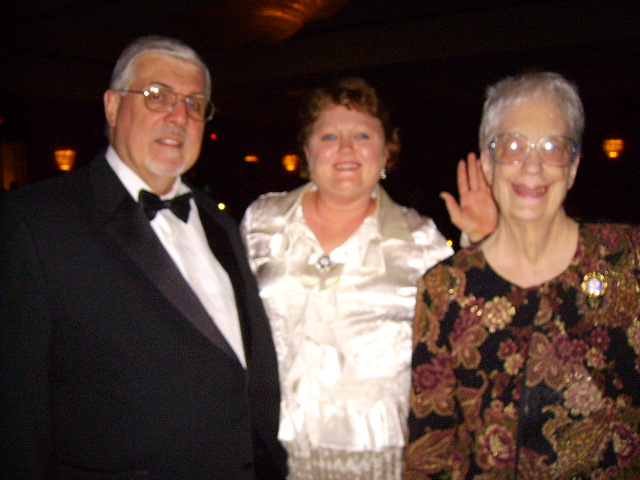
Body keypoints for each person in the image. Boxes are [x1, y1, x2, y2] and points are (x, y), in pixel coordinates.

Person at [0, 35, 286, 479]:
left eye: (194, 103)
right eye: (157, 95)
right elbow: (15, 416)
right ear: (113, 107)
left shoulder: (222, 224)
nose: (179, 116)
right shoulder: (35, 222)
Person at [240, 77, 495, 480]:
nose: (346, 148)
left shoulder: (419, 240)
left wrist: (483, 246)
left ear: (386, 151)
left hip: (381, 459)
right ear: (307, 151)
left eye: (362, 135)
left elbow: (469, 335)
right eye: (329, 136)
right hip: (271, 453)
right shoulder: (261, 222)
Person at [404, 71, 640, 479]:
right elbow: (431, 450)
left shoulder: (628, 261)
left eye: (553, 147)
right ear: (488, 163)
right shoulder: (446, 288)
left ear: (573, 166)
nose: (532, 165)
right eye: (513, 146)